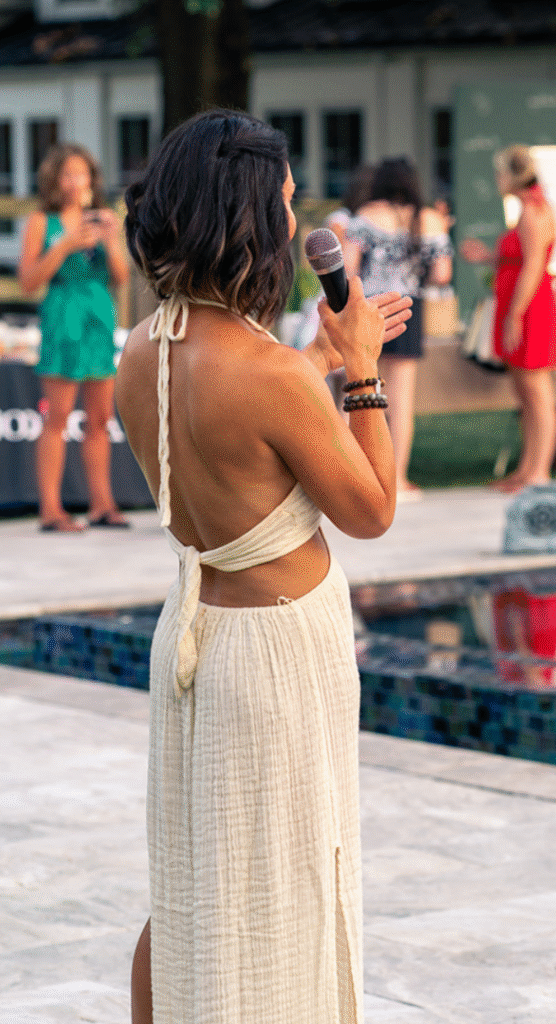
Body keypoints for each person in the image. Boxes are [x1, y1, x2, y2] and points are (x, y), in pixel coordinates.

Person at [114, 109, 411, 1024]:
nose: (293, 221)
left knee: (191, 884)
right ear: (246, 216)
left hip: (194, 639)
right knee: (282, 886)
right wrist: (360, 371)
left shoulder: (143, 350)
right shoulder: (270, 373)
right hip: (273, 661)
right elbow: (372, 509)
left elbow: (236, 441)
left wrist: (312, 359)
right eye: (283, 201)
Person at [18, 142, 131, 531]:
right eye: (68, 174)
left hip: (98, 316)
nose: (76, 181)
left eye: (82, 174)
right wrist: (66, 244)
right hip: (62, 316)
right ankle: (51, 509)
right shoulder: (42, 221)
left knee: (100, 417)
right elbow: (28, 281)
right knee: (59, 415)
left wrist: (111, 239)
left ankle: (102, 505)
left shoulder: (99, 219)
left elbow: (121, 278)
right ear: (54, 179)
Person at [340, 158, 453, 501]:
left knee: (357, 389)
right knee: (401, 400)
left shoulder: (365, 216)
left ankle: (348, 475)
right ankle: (399, 479)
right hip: (407, 308)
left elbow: (348, 268)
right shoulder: (428, 218)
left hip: (370, 307)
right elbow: (442, 275)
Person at [461, 145, 556, 493]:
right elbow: (520, 260)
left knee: (537, 391)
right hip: (521, 305)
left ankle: (539, 472)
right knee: (525, 393)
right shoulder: (528, 210)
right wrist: (488, 257)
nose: (496, 180)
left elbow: (533, 267)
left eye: (499, 173)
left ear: (512, 175)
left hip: (530, 308)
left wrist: (514, 316)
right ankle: (527, 469)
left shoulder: (534, 212)